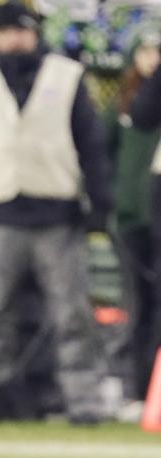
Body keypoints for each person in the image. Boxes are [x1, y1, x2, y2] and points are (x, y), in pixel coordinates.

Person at [0, 2, 111, 425]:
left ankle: (85, 399)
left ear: (34, 33)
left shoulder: (67, 73)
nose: (14, 40)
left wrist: (100, 204)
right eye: (5, 32)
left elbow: (90, 147)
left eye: (21, 31)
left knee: (72, 312)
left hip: (58, 212)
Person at [103, 26, 161, 404]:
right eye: (145, 50)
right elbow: (101, 155)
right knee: (138, 307)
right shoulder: (125, 105)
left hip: (153, 212)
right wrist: (112, 200)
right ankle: (137, 390)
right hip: (131, 219)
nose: (152, 58)